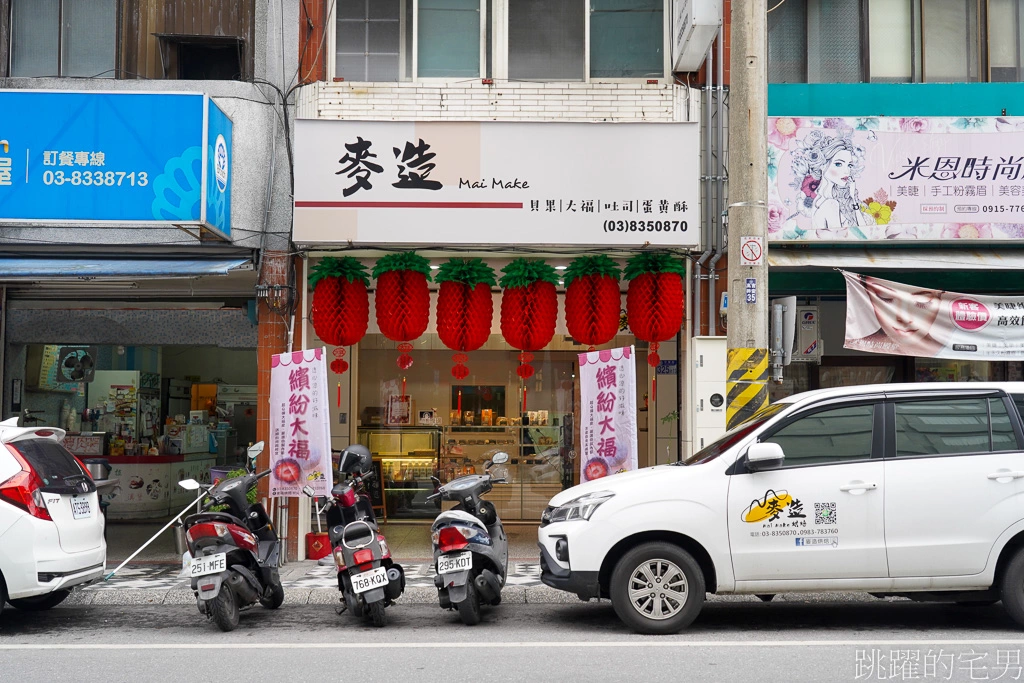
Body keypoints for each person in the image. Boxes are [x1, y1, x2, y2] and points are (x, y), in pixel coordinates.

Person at [791, 132, 874, 237]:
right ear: (822, 165)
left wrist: (853, 198)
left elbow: (864, 230)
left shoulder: (822, 199)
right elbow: (842, 240)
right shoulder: (830, 204)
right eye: (838, 164)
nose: (846, 171)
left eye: (849, 165)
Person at [850, 275, 946, 357]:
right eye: (885, 297)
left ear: (941, 295)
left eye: (922, 301)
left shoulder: (953, 349)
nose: (905, 318)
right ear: (865, 291)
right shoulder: (856, 345)